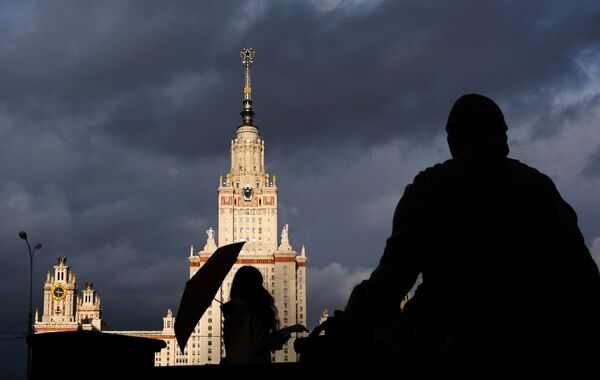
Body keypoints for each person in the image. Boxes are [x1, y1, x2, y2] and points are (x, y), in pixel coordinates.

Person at [303, 94, 600, 377]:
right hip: (532, 355)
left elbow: (388, 286)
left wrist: (340, 331)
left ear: (452, 141)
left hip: (448, 354)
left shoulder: (429, 189)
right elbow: (585, 281)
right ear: (501, 137)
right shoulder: (538, 189)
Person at [221, 265, 308, 364]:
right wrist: (289, 330)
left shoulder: (230, 313)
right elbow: (263, 343)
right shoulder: (254, 311)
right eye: (259, 283)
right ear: (253, 286)